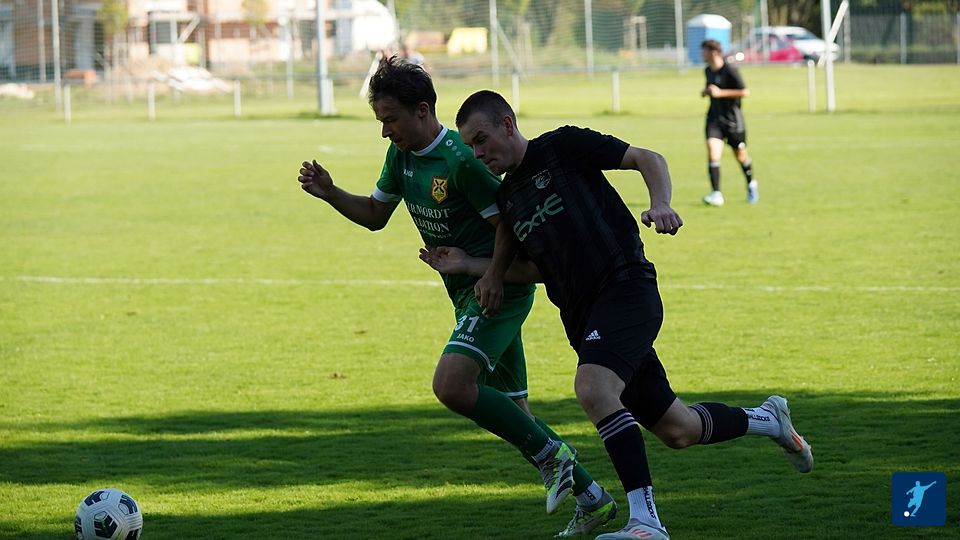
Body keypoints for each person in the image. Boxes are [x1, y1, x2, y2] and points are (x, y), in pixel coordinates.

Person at [419, 89, 813, 540]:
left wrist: (661, 202)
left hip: (626, 289)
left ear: (507, 125)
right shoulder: (509, 199)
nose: (477, 153)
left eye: (481, 139)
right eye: (470, 145)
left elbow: (647, 158)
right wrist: (468, 264)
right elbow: (533, 270)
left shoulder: (562, 146)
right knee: (679, 429)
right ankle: (769, 420)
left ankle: (646, 522)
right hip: (584, 318)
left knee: (593, 387)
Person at [296, 57, 618, 538]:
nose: (385, 131)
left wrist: (492, 275)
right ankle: (593, 498)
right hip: (468, 292)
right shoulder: (401, 157)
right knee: (517, 415)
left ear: (422, 110)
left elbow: (508, 219)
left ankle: (555, 457)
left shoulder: (461, 160)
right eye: (381, 121)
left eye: (390, 119)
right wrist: (330, 192)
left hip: (497, 291)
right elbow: (375, 216)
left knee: (451, 385)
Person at [700, 39, 758, 206]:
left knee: (740, 155)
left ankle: (751, 184)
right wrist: (706, 92)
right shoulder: (707, 71)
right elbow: (711, 90)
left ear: (713, 52)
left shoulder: (730, 70)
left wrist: (720, 93)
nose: (702, 54)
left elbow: (744, 92)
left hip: (733, 121)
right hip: (714, 119)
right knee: (712, 152)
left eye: (704, 51)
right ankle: (716, 193)